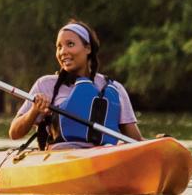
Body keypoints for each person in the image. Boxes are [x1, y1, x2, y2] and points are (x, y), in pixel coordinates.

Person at [9, 20, 142, 147]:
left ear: (88, 48)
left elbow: (136, 141)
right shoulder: (46, 85)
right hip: (62, 158)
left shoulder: (114, 88)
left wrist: (159, 144)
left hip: (104, 154)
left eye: (70, 44)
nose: (63, 52)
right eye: (59, 47)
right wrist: (34, 110)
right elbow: (14, 133)